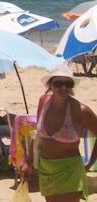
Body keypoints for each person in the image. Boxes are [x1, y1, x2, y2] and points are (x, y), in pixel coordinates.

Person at [21, 64, 97, 201]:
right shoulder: (43, 102)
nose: (64, 88)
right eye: (59, 83)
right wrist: (28, 161)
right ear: (50, 85)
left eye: (68, 84)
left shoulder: (81, 111)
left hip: (70, 170)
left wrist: (90, 163)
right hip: (46, 168)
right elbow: (37, 135)